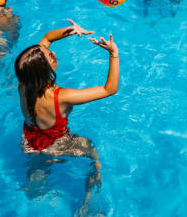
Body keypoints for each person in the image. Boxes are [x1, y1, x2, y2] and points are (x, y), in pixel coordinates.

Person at [15, 19, 120, 213]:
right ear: (45, 71)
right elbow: (109, 89)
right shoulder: (62, 97)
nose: (53, 53)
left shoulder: (24, 82)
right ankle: (87, 204)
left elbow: (47, 38)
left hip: (28, 141)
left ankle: (36, 181)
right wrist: (113, 54)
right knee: (92, 154)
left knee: (37, 170)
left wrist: (72, 30)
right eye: (50, 56)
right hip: (56, 143)